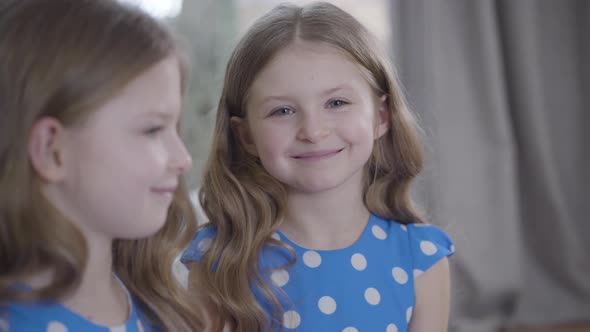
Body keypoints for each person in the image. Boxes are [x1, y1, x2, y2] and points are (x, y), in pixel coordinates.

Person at [182, 2, 454, 331]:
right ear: (246, 135)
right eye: (282, 111)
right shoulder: (219, 261)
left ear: (381, 117)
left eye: (337, 103)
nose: (313, 131)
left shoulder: (421, 259)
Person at [0, 0, 204, 330]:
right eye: (153, 129)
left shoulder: (158, 304)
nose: (183, 159)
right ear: (53, 150)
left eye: (175, 127)